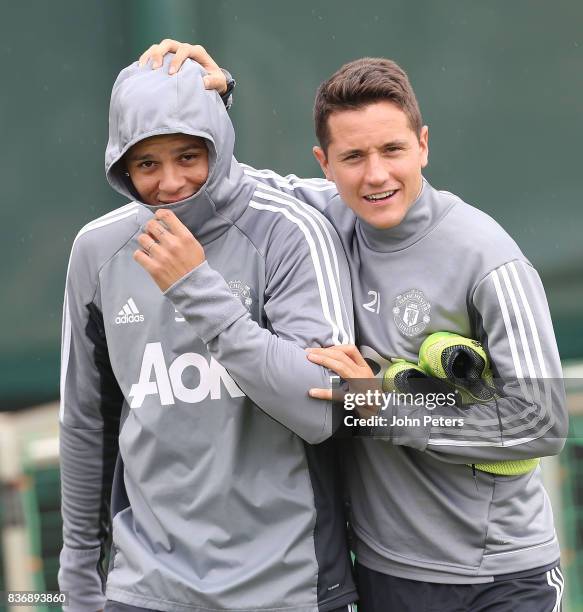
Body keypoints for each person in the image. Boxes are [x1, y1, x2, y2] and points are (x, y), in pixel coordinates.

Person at [141, 41, 569, 611]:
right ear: (324, 162)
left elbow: (541, 422)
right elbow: (235, 185)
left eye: (393, 149)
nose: (375, 175)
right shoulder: (326, 216)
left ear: (422, 145)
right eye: (353, 157)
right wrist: (214, 99)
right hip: (383, 573)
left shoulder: (489, 256)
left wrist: (384, 409)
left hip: (500, 579)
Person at [58, 54, 358, 612]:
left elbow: (323, 412)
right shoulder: (97, 250)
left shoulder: (288, 229)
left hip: (284, 590)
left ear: (218, 142)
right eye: (146, 163)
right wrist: (78, 576)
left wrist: (194, 286)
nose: (171, 182)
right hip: (145, 590)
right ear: (120, 167)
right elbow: (86, 422)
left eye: (189, 155)